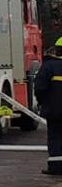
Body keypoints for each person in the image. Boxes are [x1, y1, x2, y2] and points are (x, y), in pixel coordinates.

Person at [33, 37, 62, 176]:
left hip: (54, 110)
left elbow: (40, 88)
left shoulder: (49, 66)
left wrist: (42, 102)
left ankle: (56, 167)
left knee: (55, 137)